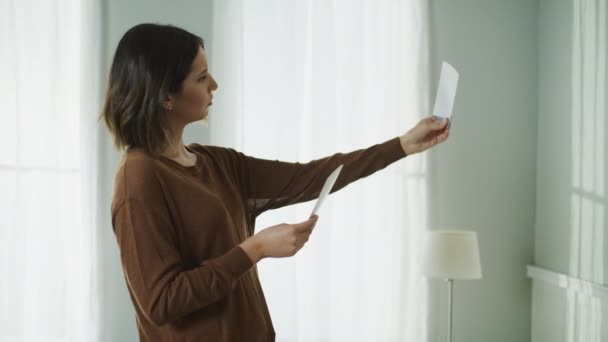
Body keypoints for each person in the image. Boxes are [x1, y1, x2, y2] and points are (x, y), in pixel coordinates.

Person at [100, 23, 449, 342]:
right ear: (166, 96)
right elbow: (162, 301)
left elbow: (311, 176)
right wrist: (255, 249)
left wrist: (402, 144)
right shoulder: (139, 177)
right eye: (201, 77)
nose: (214, 85)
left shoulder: (216, 162)